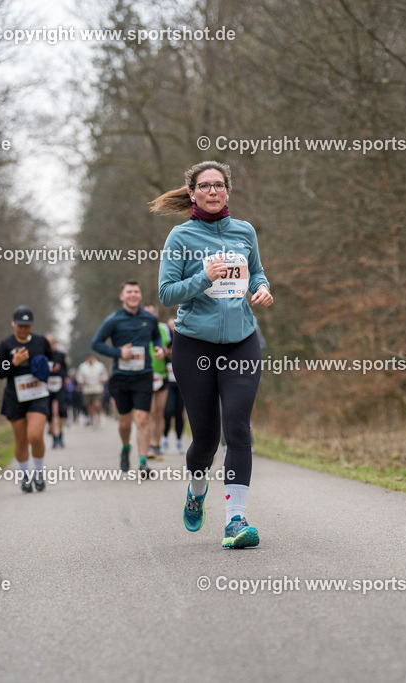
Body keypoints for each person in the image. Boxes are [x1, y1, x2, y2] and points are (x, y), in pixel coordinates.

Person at [153, 161, 273, 548]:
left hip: (242, 340)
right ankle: (196, 486)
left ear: (227, 191)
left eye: (219, 185)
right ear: (192, 194)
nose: (212, 191)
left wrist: (262, 288)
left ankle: (235, 521)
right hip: (194, 345)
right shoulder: (180, 237)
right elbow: (167, 293)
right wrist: (205, 277)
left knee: (238, 428)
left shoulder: (244, 231)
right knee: (205, 440)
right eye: (204, 186)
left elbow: (256, 272)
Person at [90, 281, 166, 473]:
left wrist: (159, 348)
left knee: (142, 418)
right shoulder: (113, 320)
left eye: (136, 291)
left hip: (144, 374)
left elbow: (156, 337)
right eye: (129, 292)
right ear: (122, 296)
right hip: (121, 376)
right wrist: (118, 352)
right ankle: (125, 448)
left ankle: (142, 462)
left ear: (140, 295)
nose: (133, 294)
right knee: (125, 421)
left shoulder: (149, 319)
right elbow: (96, 343)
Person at [0, 305, 53, 493]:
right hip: (15, 397)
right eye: (20, 325)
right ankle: (25, 477)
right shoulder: (5, 345)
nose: (23, 329)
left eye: (27, 325)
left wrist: (43, 368)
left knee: (34, 436)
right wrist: (14, 364)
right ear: (13, 324)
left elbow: (52, 363)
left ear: (32, 325)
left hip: (38, 395)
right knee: (21, 441)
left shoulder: (41, 342)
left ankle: (38, 472)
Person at [143, 303, 170, 461]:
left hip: (162, 375)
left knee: (159, 413)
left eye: (152, 313)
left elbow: (173, 349)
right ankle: (147, 446)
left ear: (157, 315)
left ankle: (157, 445)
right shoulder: (138, 329)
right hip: (145, 374)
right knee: (148, 412)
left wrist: (165, 352)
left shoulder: (164, 329)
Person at [162, 318, 186, 455]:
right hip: (168, 385)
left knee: (179, 414)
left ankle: (178, 442)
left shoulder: (185, 341)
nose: (173, 328)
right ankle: (164, 438)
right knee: (167, 412)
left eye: (174, 325)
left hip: (182, 385)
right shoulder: (165, 343)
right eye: (170, 326)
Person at [76, 354, 107, 427]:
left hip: (97, 389)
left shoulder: (100, 365)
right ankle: (92, 421)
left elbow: (105, 376)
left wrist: (101, 379)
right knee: (89, 407)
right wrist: (83, 381)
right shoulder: (82, 366)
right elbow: (79, 377)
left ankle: (98, 420)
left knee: (97, 404)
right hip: (87, 390)